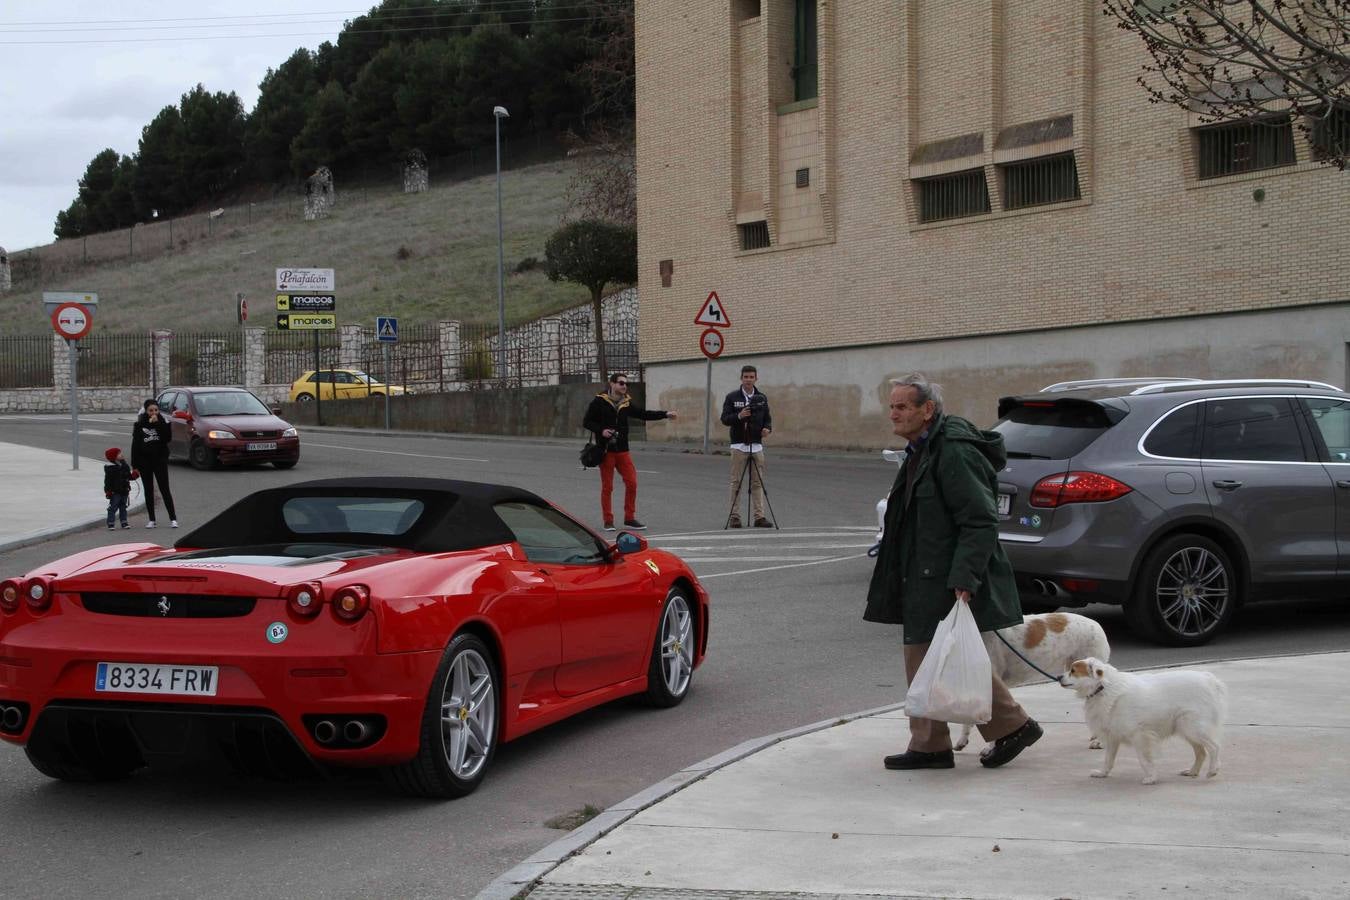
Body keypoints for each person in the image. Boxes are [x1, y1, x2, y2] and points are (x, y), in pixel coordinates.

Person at [864, 373, 1040, 770]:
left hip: (942, 575)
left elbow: (979, 520)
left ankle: (1006, 726)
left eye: (902, 406)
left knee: (938, 655)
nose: (893, 414)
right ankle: (935, 743)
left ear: (927, 410)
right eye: (891, 406)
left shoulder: (953, 450)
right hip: (923, 571)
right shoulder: (922, 448)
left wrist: (965, 577)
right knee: (928, 656)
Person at [582, 373, 678, 531]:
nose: (624, 386)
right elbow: (587, 422)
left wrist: (665, 414)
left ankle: (630, 518)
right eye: (621, 383)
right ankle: (608, 520)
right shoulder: (599, 401)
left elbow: (642, 414)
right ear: (612, 384)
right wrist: (602, 430)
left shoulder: (626, 402)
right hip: (606, 451)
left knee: (632, 483)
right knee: (608, 487)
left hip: (623, 450)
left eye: (626, 384)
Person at [720, 365, 773, 527]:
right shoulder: (732, 397)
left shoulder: (761, 398)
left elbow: (768, 418)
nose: (748, 380)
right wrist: (739, 415)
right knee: (736, 482)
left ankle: (759, 516)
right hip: (738, 445)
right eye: (746, 377)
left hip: (756, 446)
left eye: (751, 377)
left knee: (757, 482)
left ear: (756, 378)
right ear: (741, 378)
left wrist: (767, 429)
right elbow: (725, 418)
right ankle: (735, 517)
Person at [131, 398, 178, 529]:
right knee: (148, 490)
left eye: (156, 410)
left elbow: (167, 438)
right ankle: (152, 519)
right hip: (145, 462)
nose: (153, 413)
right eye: (151, 410)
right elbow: (135, 445)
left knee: (164, 488)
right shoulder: (139, 425)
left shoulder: (164, 421)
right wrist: (135, 465)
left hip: (160, 460)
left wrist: (158, 424)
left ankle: (173, 518)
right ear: (146, 411)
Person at [102, 447, 138, 530]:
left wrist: (134, 475)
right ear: (114, 457)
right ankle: (111, 523)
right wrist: (108, 491)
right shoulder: (110, 469)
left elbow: (128, 477)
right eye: (119, 454)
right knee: (113, 507)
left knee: (123, 507)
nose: (121, 454)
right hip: (115, 492)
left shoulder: (124, 465)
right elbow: (107, 482)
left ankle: (124, 522)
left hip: (124, 490)